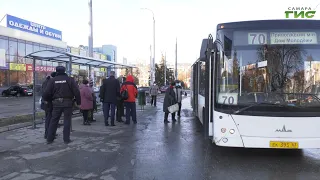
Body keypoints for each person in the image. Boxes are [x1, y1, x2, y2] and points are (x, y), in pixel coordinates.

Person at [43, 66, 81, 144]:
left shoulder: (53, 80)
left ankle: (50, 139)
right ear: (64, 71)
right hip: (68, 103)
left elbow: (46, 93)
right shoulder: (70, 79)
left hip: (56, 103)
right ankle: (66, 139)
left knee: (54, 121)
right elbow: (76, 91)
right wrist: (78, 102)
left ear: (56, 71)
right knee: (67, 121)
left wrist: (48, 100)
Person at [41, 72, 57, 139]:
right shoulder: (51, 82)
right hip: (49, 103)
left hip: (45, 103)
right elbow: (48, 93)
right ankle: (48, 134)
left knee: (48, 118)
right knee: (50, 119)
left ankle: (48, 133)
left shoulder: (46, 81)